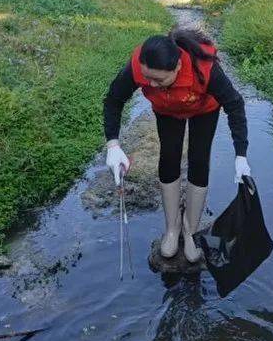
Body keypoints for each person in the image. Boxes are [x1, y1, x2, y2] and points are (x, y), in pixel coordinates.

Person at [103, 28, 252, 263]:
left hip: (204, 109)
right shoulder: (140, 67)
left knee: (199, 159)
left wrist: (240, 155)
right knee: (169, 157)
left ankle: (189, 230)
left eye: (158, 80)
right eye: (147, 77)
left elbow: (235, 104)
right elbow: (114, 99)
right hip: (167, 110)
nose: (149, 83)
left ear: (178, 68)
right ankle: (172, 228)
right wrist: (113, 144)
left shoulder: (205, 69)